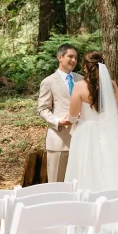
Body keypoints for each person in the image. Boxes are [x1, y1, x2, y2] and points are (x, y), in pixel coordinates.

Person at [64, 50, 118, 192]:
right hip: (106, 130)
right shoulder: (112, 85)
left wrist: (70, 118)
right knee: (108, 164)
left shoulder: (79, 86)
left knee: (85, 165)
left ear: (85, 67)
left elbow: (73, 116)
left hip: (85, 132)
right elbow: (114, 111)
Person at [37, 44, 83, 182]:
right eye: (70, 56)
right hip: (59, 139)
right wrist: (58, 121)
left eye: (76, 57)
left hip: (81, 139)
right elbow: (42, 109)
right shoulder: (48, 82)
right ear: (60, 57)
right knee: (57, 183)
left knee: (78, 185)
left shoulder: (81, 80)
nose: (74, 60)